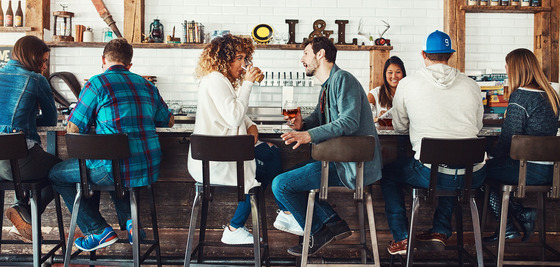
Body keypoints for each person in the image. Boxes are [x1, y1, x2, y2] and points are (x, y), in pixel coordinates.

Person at [49, 38, 174, 251]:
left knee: (57, 175)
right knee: (114, 169)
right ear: (130, 65)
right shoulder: (146, 85)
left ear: (103, 59)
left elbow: (73, 128)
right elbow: (168, 121)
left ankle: (97, 230)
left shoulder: (97, 83)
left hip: (113, 169)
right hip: (147, 167)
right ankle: (131, 223)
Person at [271, 36, 383, 256]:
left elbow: (348, 122)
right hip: (338, 161)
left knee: (280, 185)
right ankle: (334, 223)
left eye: (306, 53)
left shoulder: (343, 79)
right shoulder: (327, 86)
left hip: (352, 166)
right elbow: (320, 118)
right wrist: (303, 124)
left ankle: (317, 232)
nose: (302, 58)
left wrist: (307, 135)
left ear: (320, 54)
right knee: (289, 176)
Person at [381, 30, 486, 255]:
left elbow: (400, 127)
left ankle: (401, 237)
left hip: (430, 172)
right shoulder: (471, 85)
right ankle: (440, 230)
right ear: (450, 55)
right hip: (474, 173)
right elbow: (477, 128)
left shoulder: (407, 84)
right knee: (454, 166)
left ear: (423, 54)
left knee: (388, 174)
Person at [187, 34, 284, 245]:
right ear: (224, 58)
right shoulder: (215, 79)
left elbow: (229, 109)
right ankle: (277, 213)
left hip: (220, 154)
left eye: (244, 58)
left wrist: (249, 123)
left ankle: (237, 226)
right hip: (218, 161)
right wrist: (248, 84)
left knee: (268, 158)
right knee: (270, 158)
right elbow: (232, 117)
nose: (243, 64)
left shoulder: (218, 80)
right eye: (239, 58)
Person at [483, 48, 560, 243]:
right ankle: (522, 215)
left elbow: (509, 140)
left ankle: (509, 227)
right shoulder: (551, 95)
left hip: (527, 170)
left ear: (515, 69)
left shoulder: (520, 97)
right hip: (552, 172)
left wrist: (490, 156)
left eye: (507, 66)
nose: (506, 70)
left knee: (479, 173)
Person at [0, 36, 60, 243]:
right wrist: (30, 120)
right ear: (32, 57)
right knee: (64, 173)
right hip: (19, 161)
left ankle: (23, 214)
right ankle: (23, 211)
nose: (44, 66)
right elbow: (51, 119)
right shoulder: (36, 80)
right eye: (43, 61)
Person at [368, 56, 406, 124]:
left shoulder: (409, 94)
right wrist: (380, 118)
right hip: (381, 134)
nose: (394, 76)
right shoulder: (373, 94)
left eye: (398, 72)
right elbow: (365, 120)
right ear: (385, 74)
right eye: (390, 72)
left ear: (403, 74)